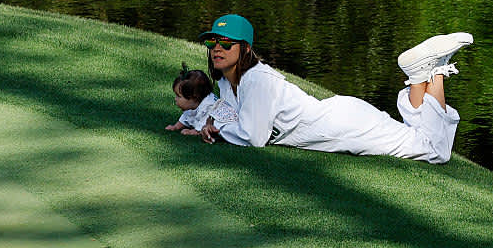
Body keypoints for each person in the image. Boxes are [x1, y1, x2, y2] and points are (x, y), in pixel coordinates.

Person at [197, 14, 472, 164]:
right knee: (425, 140)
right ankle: (430, 70)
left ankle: (426, 73)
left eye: (226, 43)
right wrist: (203, 123)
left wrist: (219, 133)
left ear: (245, 47)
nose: (217, 48)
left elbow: (252, 137)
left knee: (435, 151)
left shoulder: (256, 81)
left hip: (345, 127)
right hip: (340, 120)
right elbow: (230, 115)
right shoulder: (228, 82)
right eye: (212, 43)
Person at [165, 63, 239, 135]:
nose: (175, 99)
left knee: (217, 124)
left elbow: (206, 120)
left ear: (194, 96)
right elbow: (186, 115)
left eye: (179, 96)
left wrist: (196, 131)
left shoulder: (208, 106)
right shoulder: (193, 104)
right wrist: (176, 126)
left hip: (226, 121)